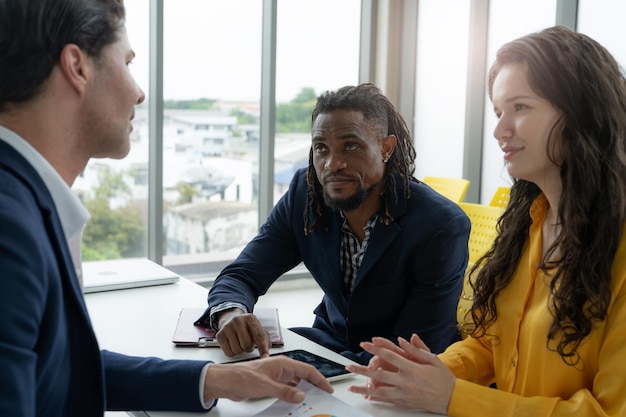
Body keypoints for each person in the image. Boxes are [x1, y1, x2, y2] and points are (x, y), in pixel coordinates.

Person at [0, 1, 334, 415]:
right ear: (78, 67)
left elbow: (60, 369)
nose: (139, 92)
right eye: (126, 62)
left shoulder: (23, 204)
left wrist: (216, 379)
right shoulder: (9, 231)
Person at [346, 26, 626, 416]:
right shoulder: (527, 227)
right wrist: (427, 371)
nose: (499, 130)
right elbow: (489, 344)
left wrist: (453, 396)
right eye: (498, 112)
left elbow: (611, 411)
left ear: (582, 110)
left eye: (520, 107)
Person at [198, 83, 471, 365]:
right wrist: (231, 313)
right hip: (325, 346)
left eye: (350, 146)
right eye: (321, 149)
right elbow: (243, 274)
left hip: (399, 373)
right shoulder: (305, 195)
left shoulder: (441, 226)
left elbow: (416, 347)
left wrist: (328, 372)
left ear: (386, 148)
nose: (332, 164)